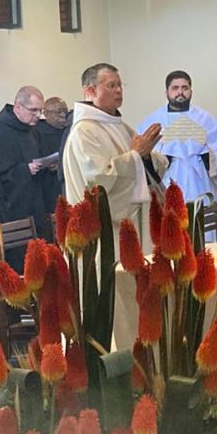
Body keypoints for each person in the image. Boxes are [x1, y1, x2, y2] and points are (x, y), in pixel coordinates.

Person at [62, 63, 165, 349]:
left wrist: (144, 158)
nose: (119, 91)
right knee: (112, 301)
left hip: (129, 228)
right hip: (104, 234)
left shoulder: (117, 124)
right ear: (90, 90)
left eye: (120, 85)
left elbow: (149, 162)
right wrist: (136, 156)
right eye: (111, 85)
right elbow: (97, 182)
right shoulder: (84, 132)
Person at [138, 71, 217, 209]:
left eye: (185, 88)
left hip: (200, 182)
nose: (180, 92)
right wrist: (163, 156)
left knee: (202, 225)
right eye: (175, 88)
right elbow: (142, 154)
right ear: (166, 92)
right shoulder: (153, 121)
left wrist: (206, 155)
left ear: (191, 91)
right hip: (168, 183)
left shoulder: (206, 120)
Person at [0, 86, 53, 238]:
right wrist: (24, 170)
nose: (38, 115)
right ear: (18, 107)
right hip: (12, 209)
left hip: (36, 204)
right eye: (33, 110)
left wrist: (48, 165)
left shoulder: (32, 129)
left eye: (41, 111)